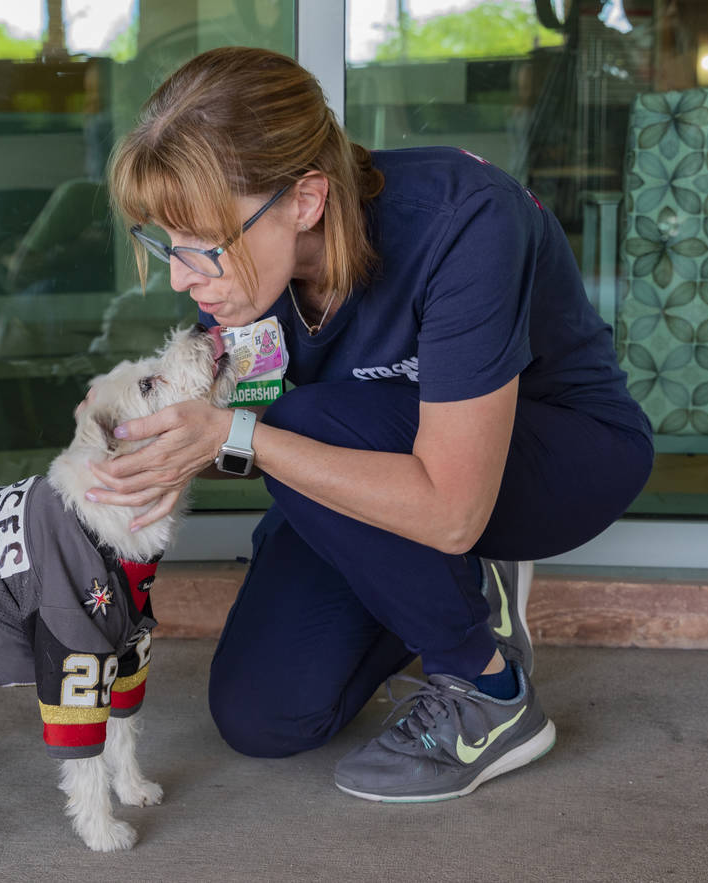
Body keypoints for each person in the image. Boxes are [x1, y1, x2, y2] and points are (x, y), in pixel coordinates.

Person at [84, 46, 653, 802]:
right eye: (165, 244)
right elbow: (242, 431)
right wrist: (141, 437)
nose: (184, 277)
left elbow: (446, 509)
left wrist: (234, 434)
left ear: (307, 200)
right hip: (367, 463)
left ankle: (490, 690)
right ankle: (455, 590)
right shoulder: (243, 277)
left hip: (553, 455)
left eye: (202, 248)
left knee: (293, 415)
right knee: (263, 714)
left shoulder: (466, 219)